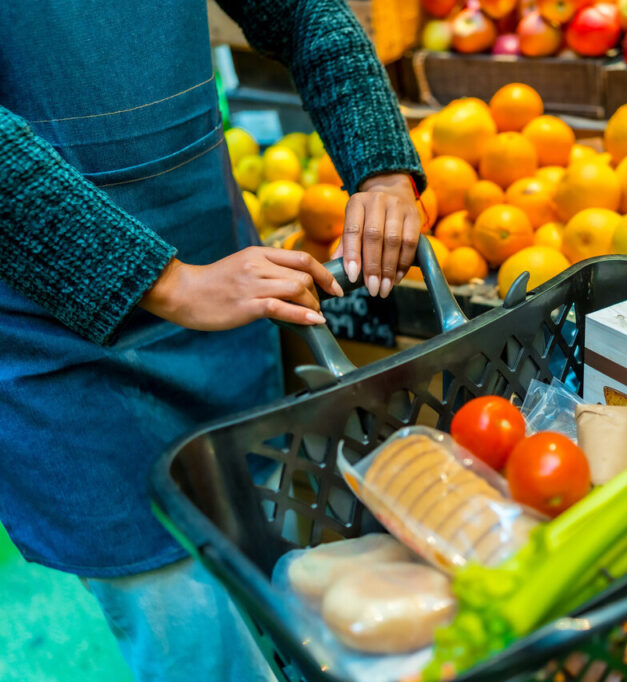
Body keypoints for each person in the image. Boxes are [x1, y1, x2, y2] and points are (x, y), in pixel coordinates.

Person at [0, 1, 424, 679]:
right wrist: (166, 284)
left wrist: (379, 166)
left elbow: (304, 13)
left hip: (219, 285)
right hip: (62, 351)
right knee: (197, 640)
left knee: (287, 584)